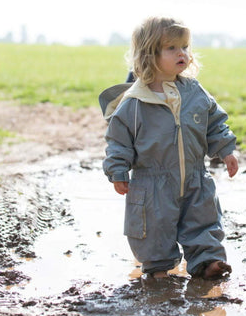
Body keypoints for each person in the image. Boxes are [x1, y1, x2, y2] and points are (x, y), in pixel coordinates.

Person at [100, 16, 238, 280]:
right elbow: (118, 140)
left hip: (196, 177)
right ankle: (158, 269)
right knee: (154, 228)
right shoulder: (134, 103)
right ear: (150, 54)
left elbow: (214, 121)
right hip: (152, 182)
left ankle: (209, 261)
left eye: (185, 46)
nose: (182, 53)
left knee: (204, 220)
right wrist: (117, 170)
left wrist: (226, 149)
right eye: (172, 48)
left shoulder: (195, 91)